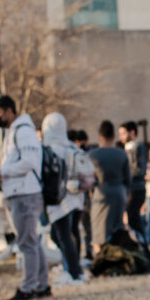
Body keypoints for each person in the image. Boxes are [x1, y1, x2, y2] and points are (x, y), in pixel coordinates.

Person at [0, 95, 50, 300]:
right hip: (19, 192)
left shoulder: (23, 131)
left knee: (27, 242)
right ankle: (41, 285)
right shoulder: (14, 131)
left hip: (25, 192)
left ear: (9, 111)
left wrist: (3, 172)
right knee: (32, 240)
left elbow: (29, 162)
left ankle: (29, 287)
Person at [42, 113, 91, 286]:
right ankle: (74, 268)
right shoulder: (73, 147)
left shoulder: (51, 149)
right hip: (78, 196)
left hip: (60, 199)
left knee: (61, 235)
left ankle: (72, 271)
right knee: (71, 234)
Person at [88, 120, 131, 253]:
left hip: (101, 193)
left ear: (100, 137)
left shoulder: (93, 155)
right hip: (119, 192)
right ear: (114, 136)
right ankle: (117, 255)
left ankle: (100, 256)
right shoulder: (122, 154)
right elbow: (128, 179)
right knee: (117, 227)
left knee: (99, 229)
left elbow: (90, 179)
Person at [119, 121, 148, 235]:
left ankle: (143, 247)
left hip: (136, 188)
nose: (121, 137)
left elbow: (139, 170)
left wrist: (124, 176)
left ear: (132, 132)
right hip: (131, 188)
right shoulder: (128, 147)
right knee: (132, 219)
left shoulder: (137, 147)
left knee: (134, 219)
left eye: (123, 133)